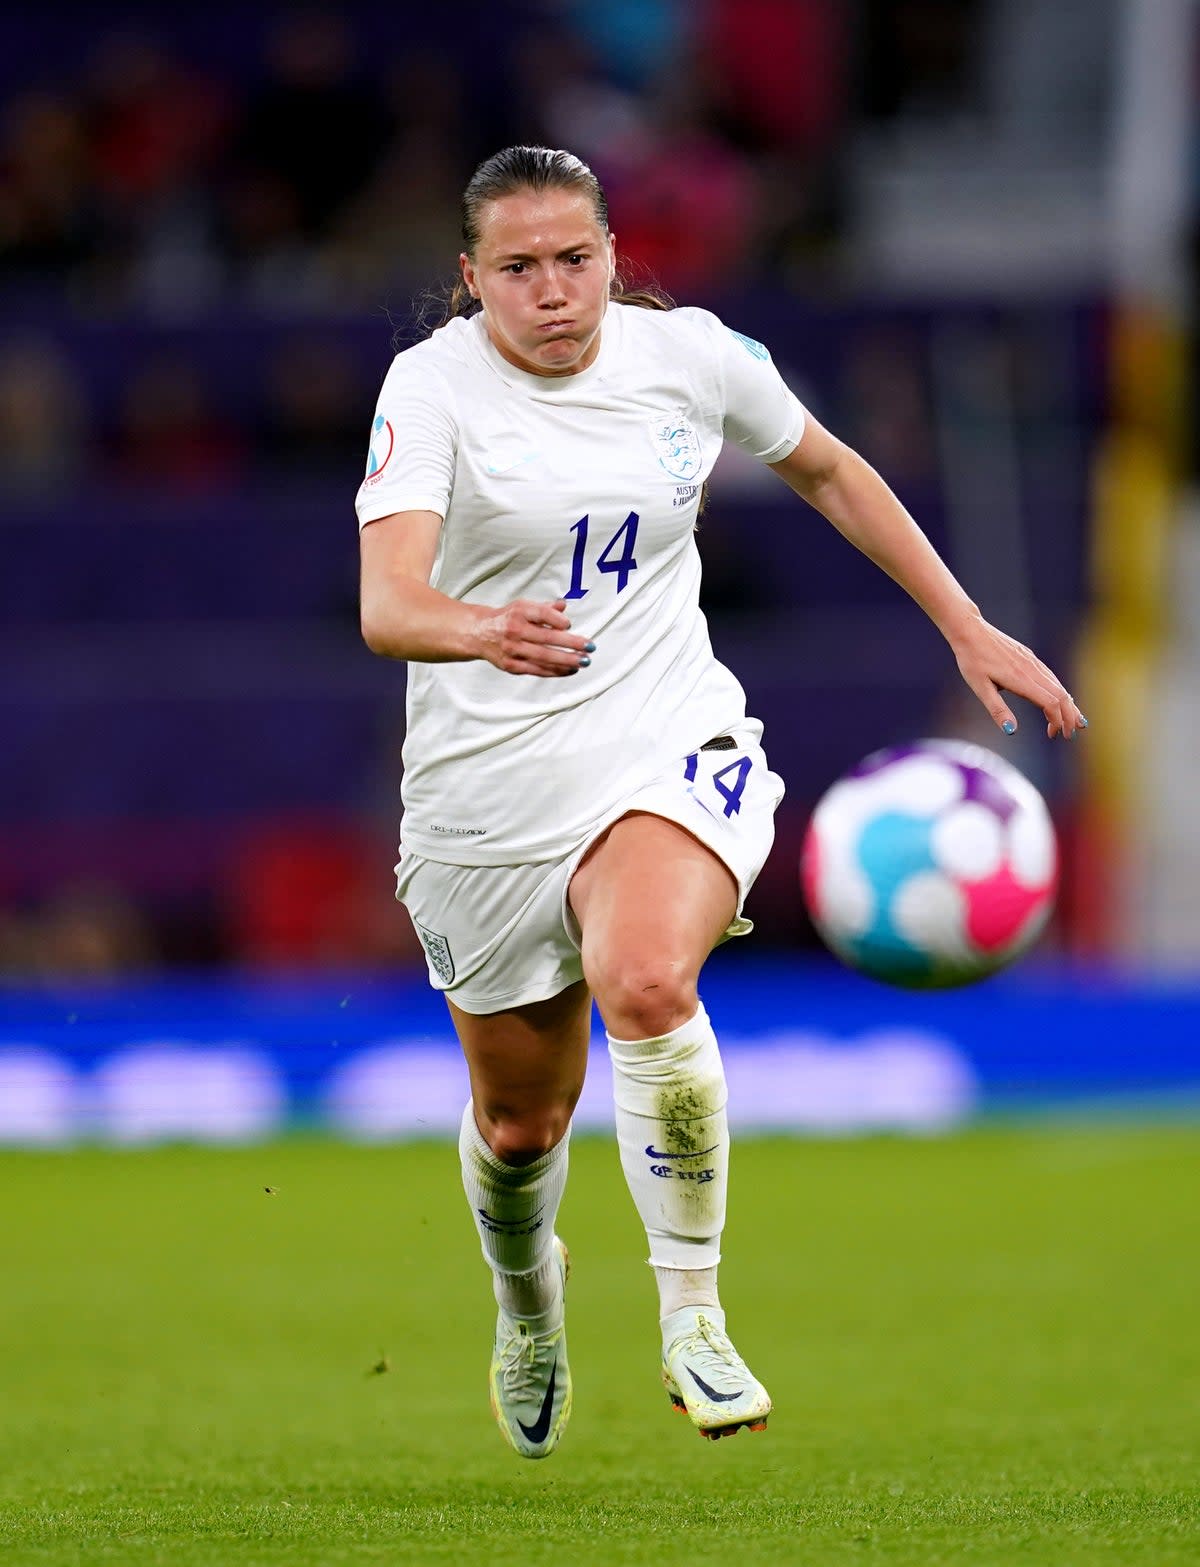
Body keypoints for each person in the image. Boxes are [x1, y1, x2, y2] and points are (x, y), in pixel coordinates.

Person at [355, 145, 1085, 1460]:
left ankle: (693, 1314)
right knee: (520, 1125)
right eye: (517, 268)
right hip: (484, 784)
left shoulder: (691, 358)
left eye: (575, 259)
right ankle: (530, 1304)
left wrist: (964, 625)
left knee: (644, 979)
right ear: (471, 280)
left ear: (613, 257)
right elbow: (385, 602)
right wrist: (478, 628)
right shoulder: (432, 390)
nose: (553, 291)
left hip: (659, 731)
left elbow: (829, 468)